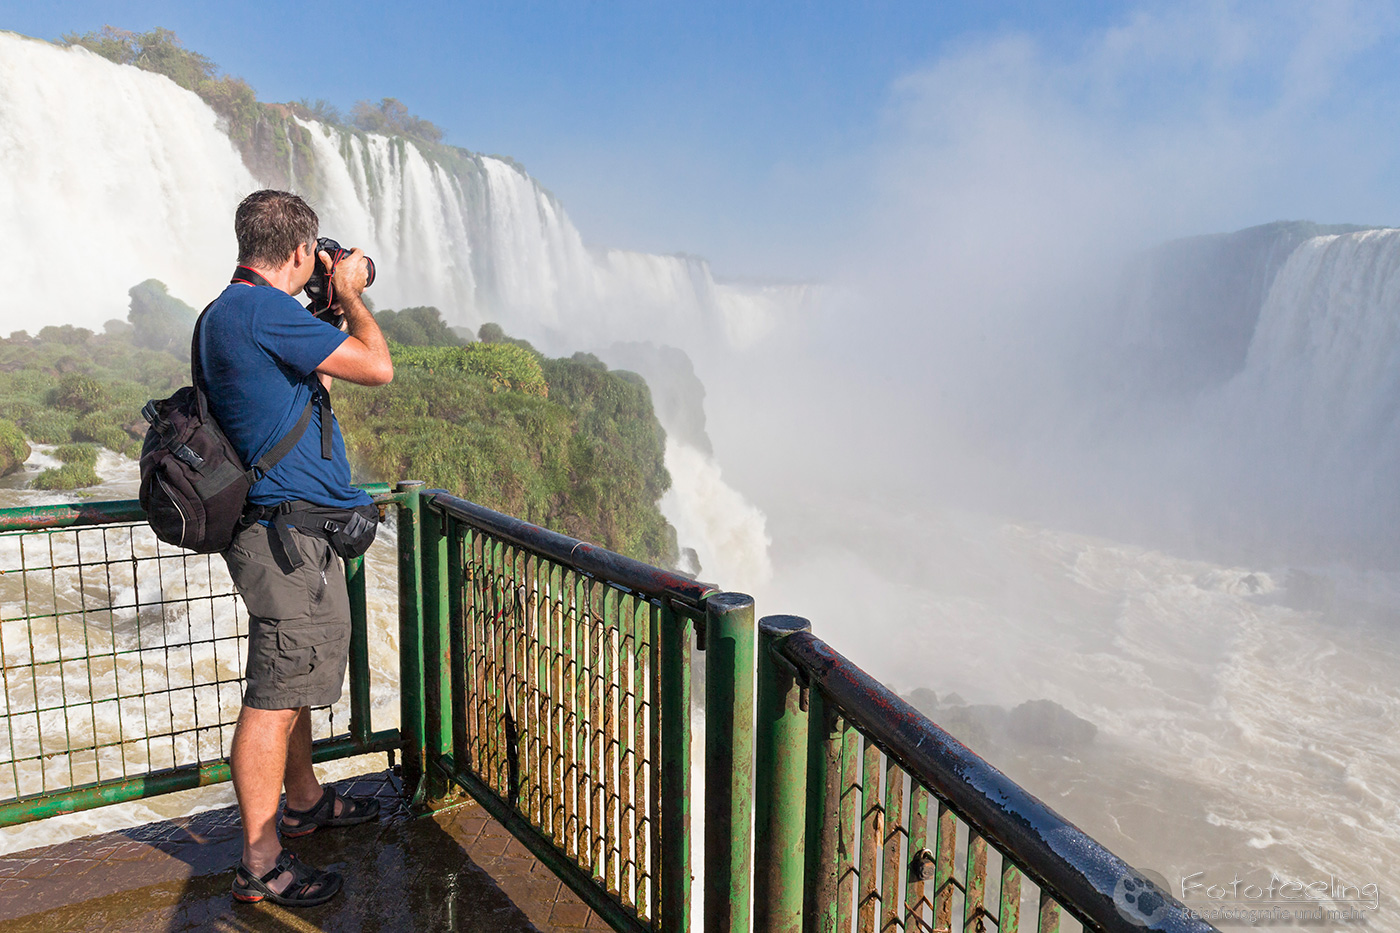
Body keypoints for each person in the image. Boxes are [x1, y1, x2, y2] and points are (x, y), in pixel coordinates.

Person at [202, 189, 393, 908]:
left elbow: (303, 374)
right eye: (316, 255)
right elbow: (376, 366)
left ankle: (305, 800)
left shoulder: (233, 311)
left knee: (295, 682)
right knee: (275, 698)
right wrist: (353, 296)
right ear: (299, 252)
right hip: (284, 540)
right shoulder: (262, 311)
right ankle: (259, 861)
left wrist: (329, 302)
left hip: (287, 533)